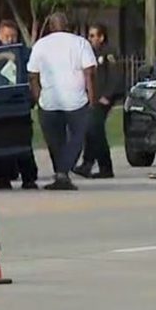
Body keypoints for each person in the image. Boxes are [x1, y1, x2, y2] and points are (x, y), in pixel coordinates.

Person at [27, 12, 97, 191]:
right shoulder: (80, 43)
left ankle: (61, 173)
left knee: (54, 141)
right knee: (76, 138)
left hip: (49, 101)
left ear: (50, 27)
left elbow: (32, 76)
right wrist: (91, 96)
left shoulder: (40, 45)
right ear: (67, 25)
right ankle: (63, 174)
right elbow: (89, 73)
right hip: (76, 100)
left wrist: (37, 96)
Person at [0, 20, 40, 190]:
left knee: (23, 141)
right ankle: (2, 178)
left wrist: (33, 99)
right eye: (6, 37)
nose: (10, 40)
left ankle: (29, 178)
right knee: (0, 142)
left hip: (19, 103)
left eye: (12, 36)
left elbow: (34, 77)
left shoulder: (25, 55)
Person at [74, 23, 121, 179]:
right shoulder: (89, 53)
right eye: (90, 35)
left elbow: (115, 76)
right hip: (92, 98)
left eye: (95, 35)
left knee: (95, 129)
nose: (92, 38)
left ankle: (103, 167)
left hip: (103, 98)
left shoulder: (109, 53)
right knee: (92, 130)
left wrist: (107, 95)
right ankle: (88, 164)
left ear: (102, 37)